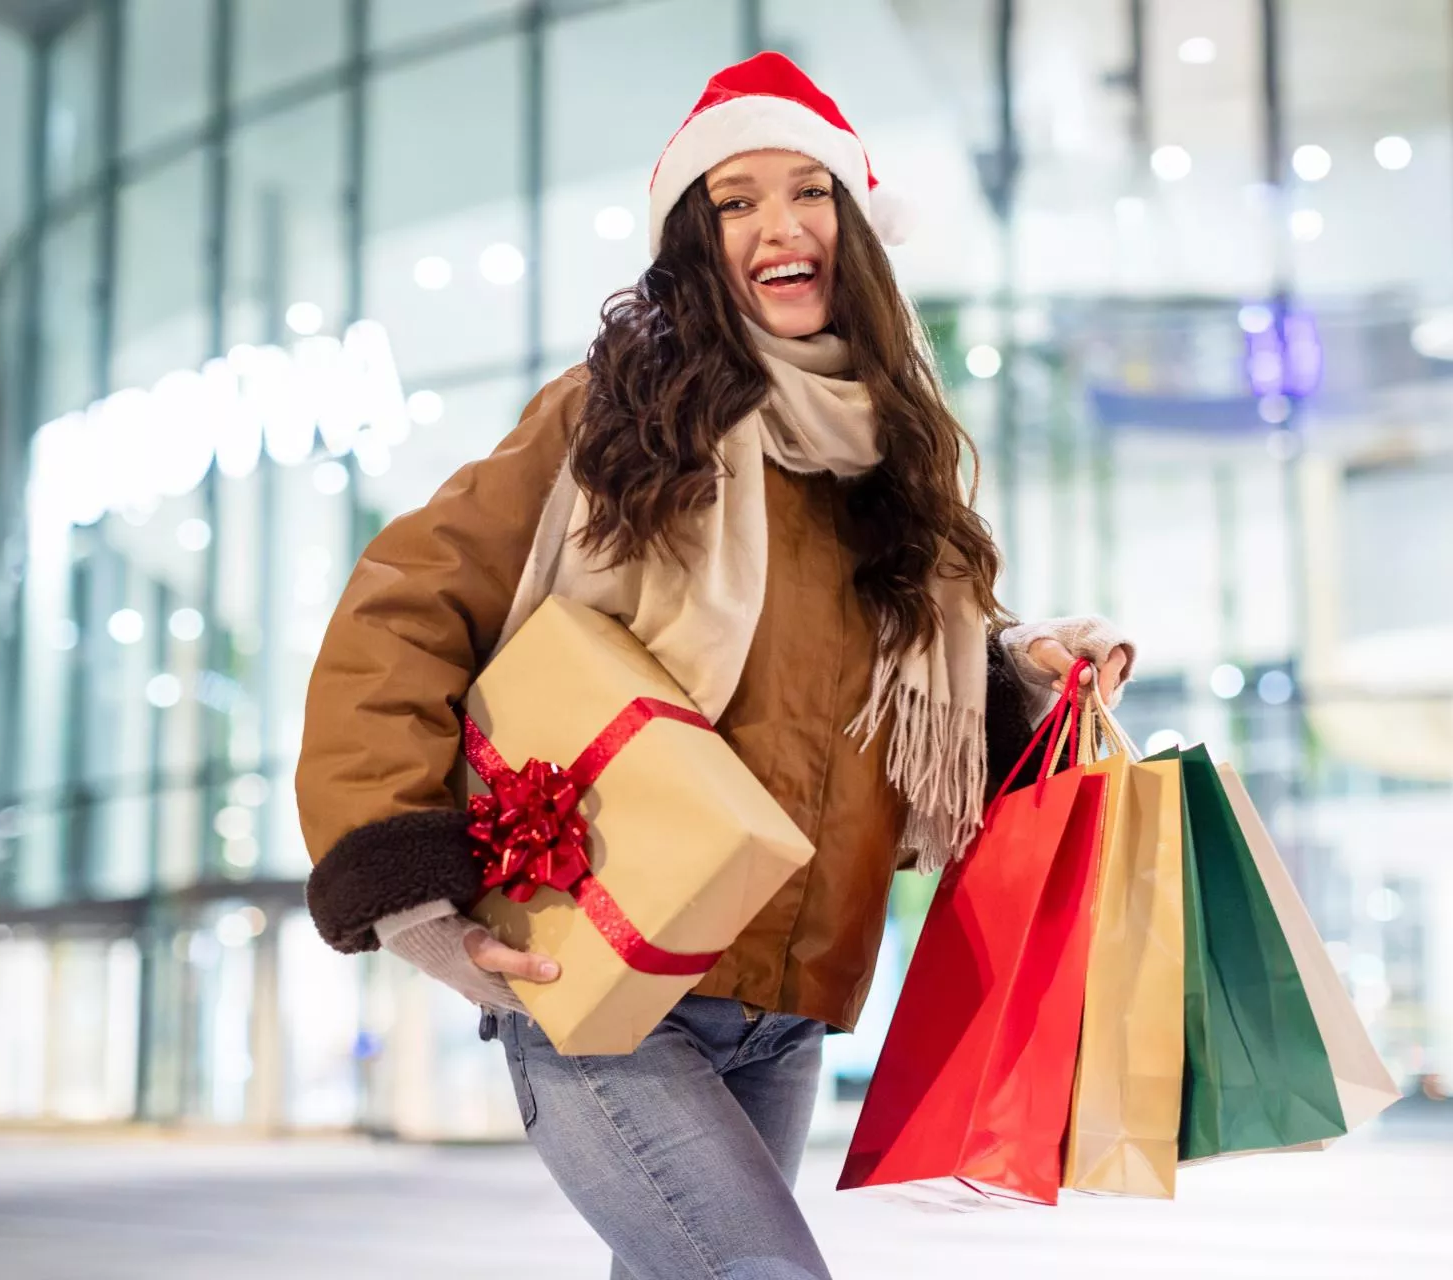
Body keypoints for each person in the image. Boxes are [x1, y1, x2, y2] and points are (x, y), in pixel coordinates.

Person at [297, 52, 1134, 1280]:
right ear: (696, 238)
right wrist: (419, 892)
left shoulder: (893, 468)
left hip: (791, 1005)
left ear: (857, 227)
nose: (779, 225)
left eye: (810, 191)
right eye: (734, 200)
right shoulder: (614, 419)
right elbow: (401, 608)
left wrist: (1024, 670)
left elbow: (891, 709)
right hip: (607, 976)